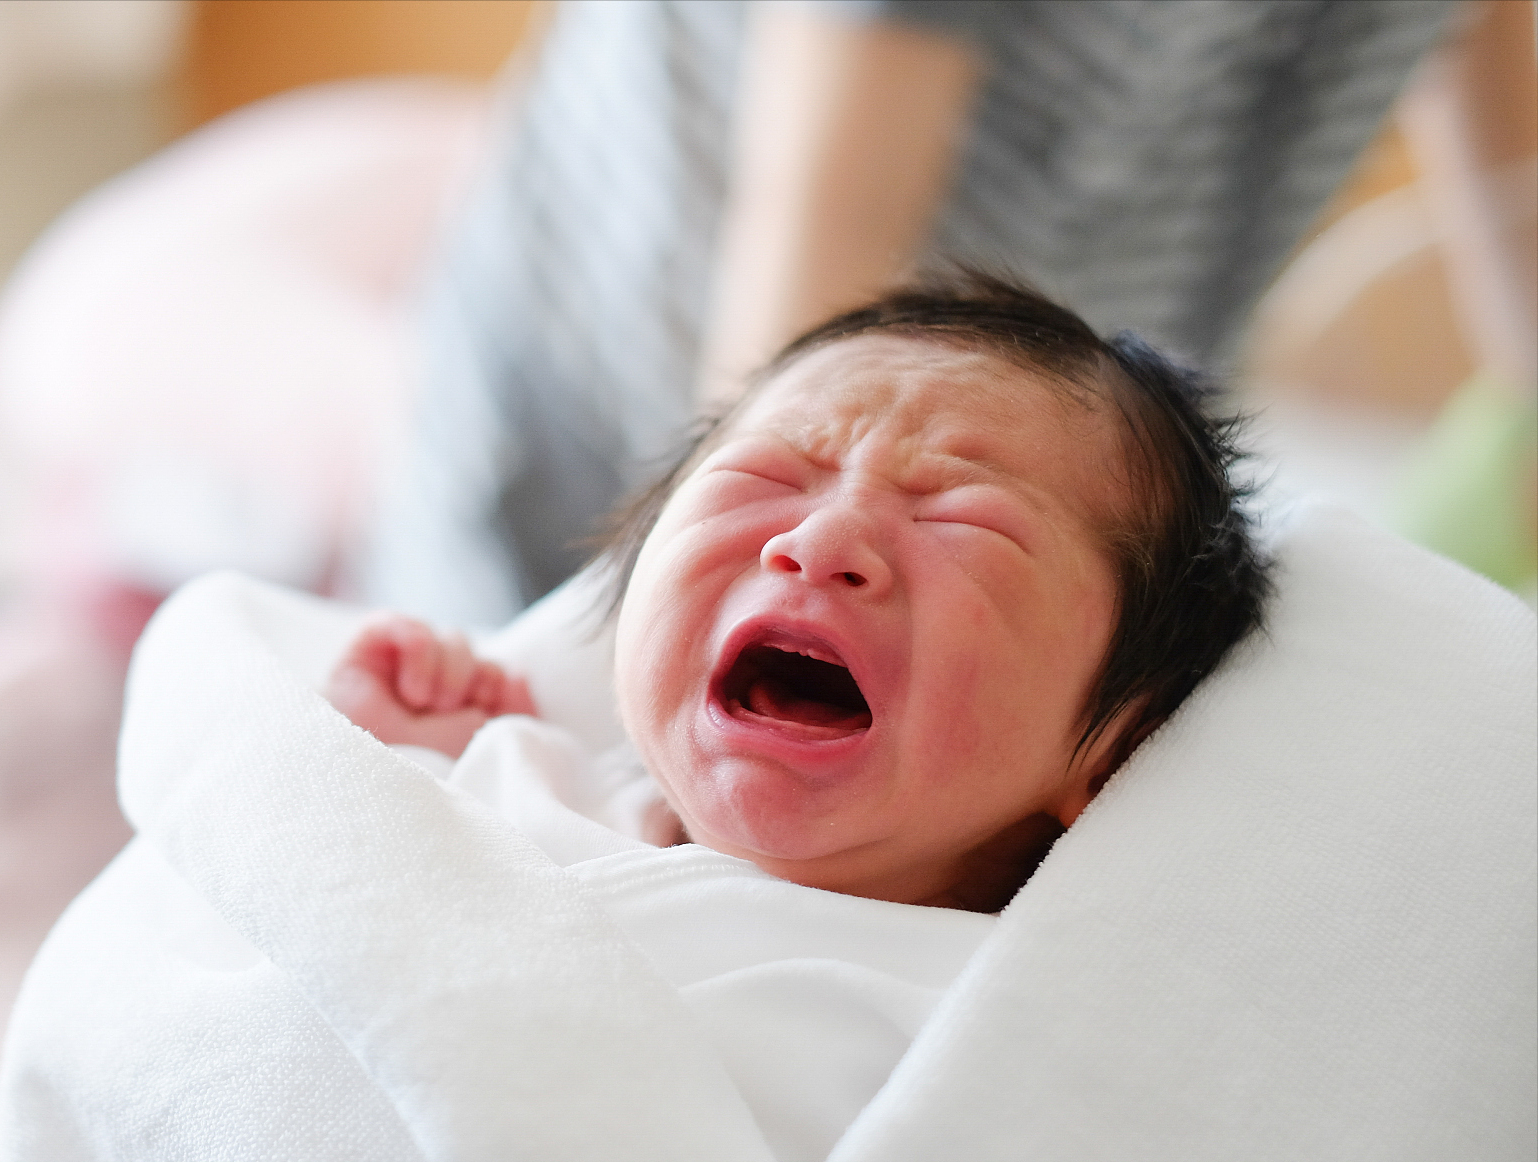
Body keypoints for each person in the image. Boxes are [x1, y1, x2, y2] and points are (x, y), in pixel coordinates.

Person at [358, 0, 1487, 628]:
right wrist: (716, 601)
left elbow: (1513, 175)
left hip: (1059, 431)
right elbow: (821, 220)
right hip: (664, 382)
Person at [329, 272, 1269, 911]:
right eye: (770, 476)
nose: (819, 542)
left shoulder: (998, 1018)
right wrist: (394, 754)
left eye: (964, 520)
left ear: (1116, 751)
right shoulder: (530, 786)